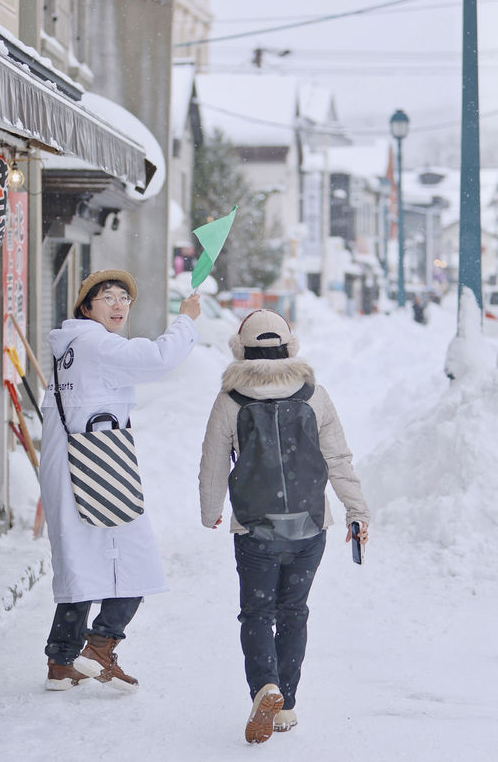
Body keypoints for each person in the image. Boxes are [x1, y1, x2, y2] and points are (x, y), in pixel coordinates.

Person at [197, 309, 370, 744]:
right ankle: (287, 704)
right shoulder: (314, 394)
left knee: (257, 612)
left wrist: (211, 510)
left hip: (256, 528)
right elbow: (338, 459)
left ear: (241, 348)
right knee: (293, 612)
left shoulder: (231, 399)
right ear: (290, 345)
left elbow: (213, 464)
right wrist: (357, 511)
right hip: (310, 527)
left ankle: (265, 687)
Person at [40, 269, 200, 691]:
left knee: (81, 565)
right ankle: (99, 646)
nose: (118, 305)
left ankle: (62, 660)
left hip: (75, 465)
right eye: (107, 297)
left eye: (124, 299)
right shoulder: (96, 343)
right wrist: (185, 319)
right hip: (97, 468)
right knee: (136, 562)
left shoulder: (72, 346)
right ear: (86, 306)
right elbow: (159, 359)